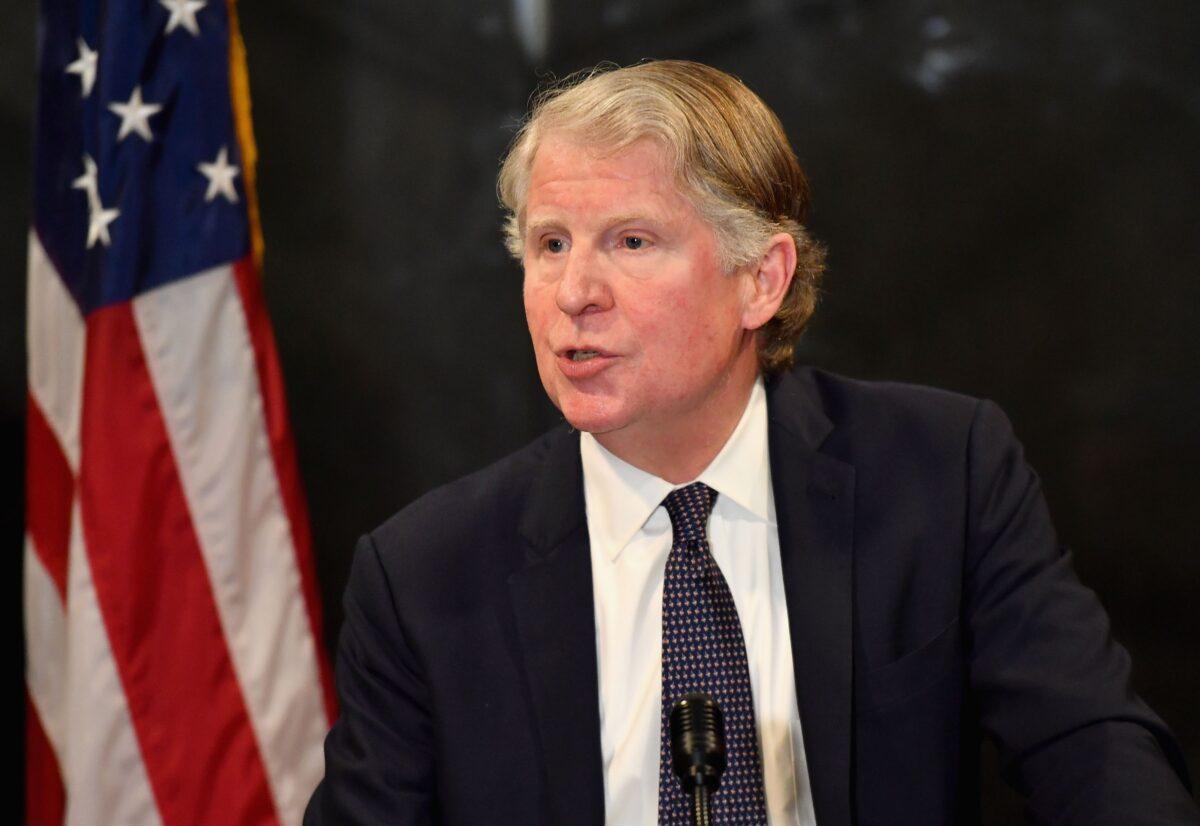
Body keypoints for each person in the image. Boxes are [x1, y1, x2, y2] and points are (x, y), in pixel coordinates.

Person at [305, 60, 1198, 824]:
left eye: (631, 240)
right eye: (549, 244)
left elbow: (1091, 746)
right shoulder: (425, 573)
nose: (574, 291)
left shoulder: (941, 472)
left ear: (760, 280)